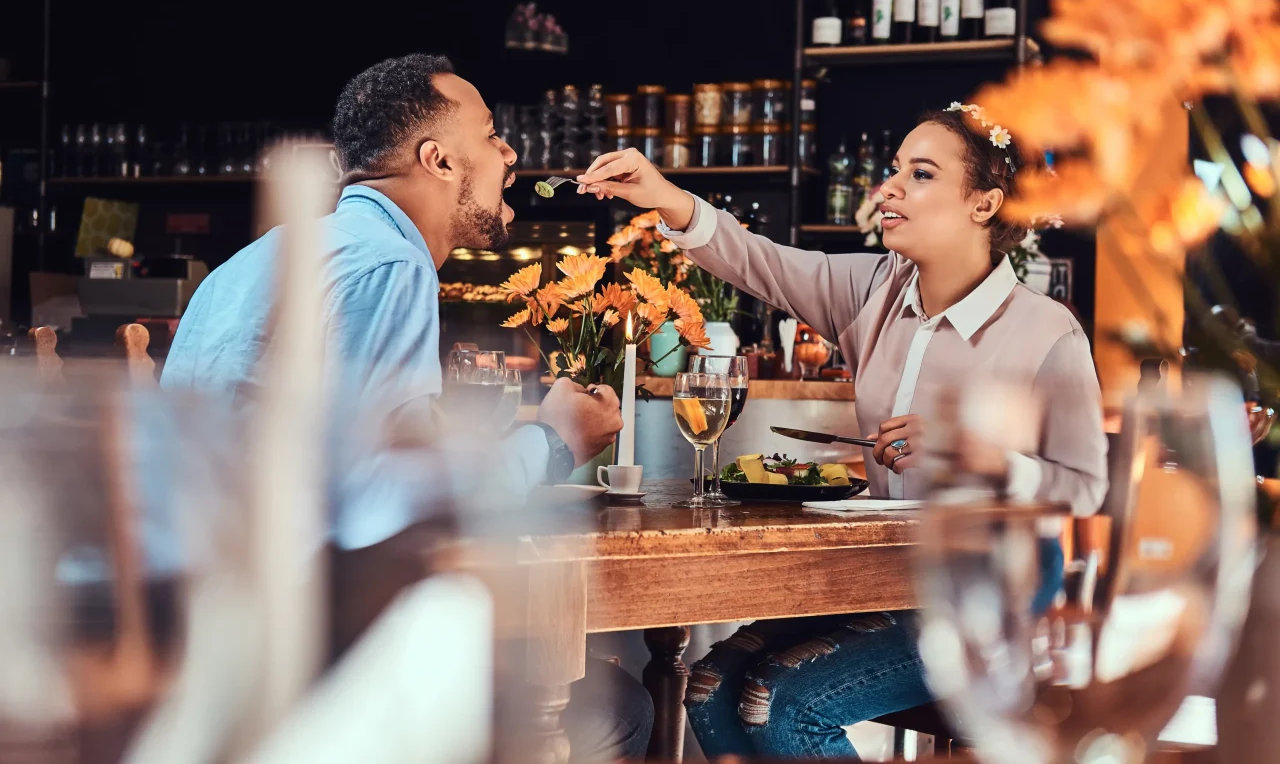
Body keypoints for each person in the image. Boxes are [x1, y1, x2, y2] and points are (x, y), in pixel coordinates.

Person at [160, 54, 651, 762]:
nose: (511, 153)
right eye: (491, 135)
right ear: (439, 160)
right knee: (617, 706)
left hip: (194, 641)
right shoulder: (393, 265)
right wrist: (553, 443)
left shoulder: (261, 257)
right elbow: (372, 502)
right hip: (290, 660)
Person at [575, 105, 1108, 757]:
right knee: (710, 689)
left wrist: (983, 456)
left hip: (989, 592)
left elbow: (1086, 488)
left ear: (983, 203)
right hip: (879, 574)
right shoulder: (873, 291)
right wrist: (662, 196)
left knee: (781, 706)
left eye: (921, 174)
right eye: (893, 171)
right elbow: (758, 262)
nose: (889, 189)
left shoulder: (1048, 332)